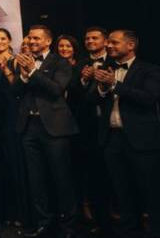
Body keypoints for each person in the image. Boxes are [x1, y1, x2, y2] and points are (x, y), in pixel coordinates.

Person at [87, 30, 160, 238]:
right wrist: (101, 88)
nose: (108, 46)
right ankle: (128, 231)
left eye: (114, 42)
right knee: (121, 190)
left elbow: (148, 98)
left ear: (130, 46)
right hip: (112, 139)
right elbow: (91, 101)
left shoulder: (149, 69)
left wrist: (115, 85)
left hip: (142, 141)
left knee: (150, 190)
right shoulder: (106, 69)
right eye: (108, 42)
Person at [13, 25, 78, 238]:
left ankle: (68, 227)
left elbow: (55, 90)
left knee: (62, 179)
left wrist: (32, 71)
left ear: (47, 41)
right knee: (36, 180)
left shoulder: (61, 62)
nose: (31, 41)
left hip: (55, 128)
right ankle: (43, 224)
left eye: (35, 38)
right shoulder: (23, 60)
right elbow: (15, 92)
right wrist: (22, 76)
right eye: (30, 38)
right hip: (29, 127)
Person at [0, 28, 31, 228]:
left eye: (3, 38)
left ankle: (19, 212)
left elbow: (17, 87)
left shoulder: (17, 60)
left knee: (14, 162)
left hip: (12, 113)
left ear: (10, 41)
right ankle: (2, 213)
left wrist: (6, 68)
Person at [68, 27, 113, 235]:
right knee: (94, 175)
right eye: (87, 38)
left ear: (106, 41)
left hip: (113, 126)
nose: (90, 41)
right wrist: (84, 79)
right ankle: (101, 220)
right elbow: (73, 95)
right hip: (88, 129)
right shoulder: (82, 64)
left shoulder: (114, 61)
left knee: (115, 174)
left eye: (95, 38)